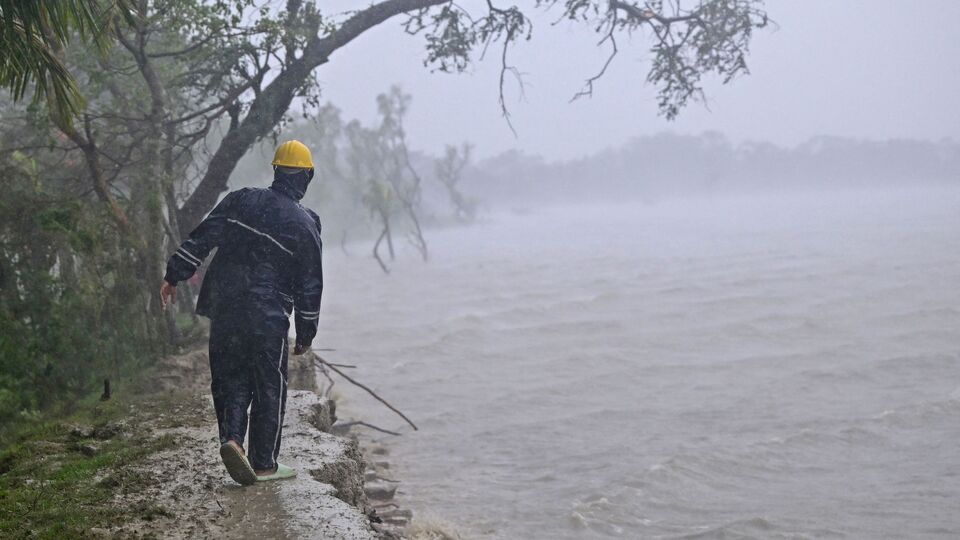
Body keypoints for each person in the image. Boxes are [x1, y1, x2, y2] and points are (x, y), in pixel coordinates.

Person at [159, 140, 323, 485]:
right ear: (306, 177)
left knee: (230, 377)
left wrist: (173, 274)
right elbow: (310, 285)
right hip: (267, 316)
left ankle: (232, 440)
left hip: (226, 307)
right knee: (268, 386)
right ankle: (263, 463)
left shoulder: (241, 199)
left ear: (276, 170)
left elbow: (203, 237)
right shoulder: (305, 225)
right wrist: (306, 333)